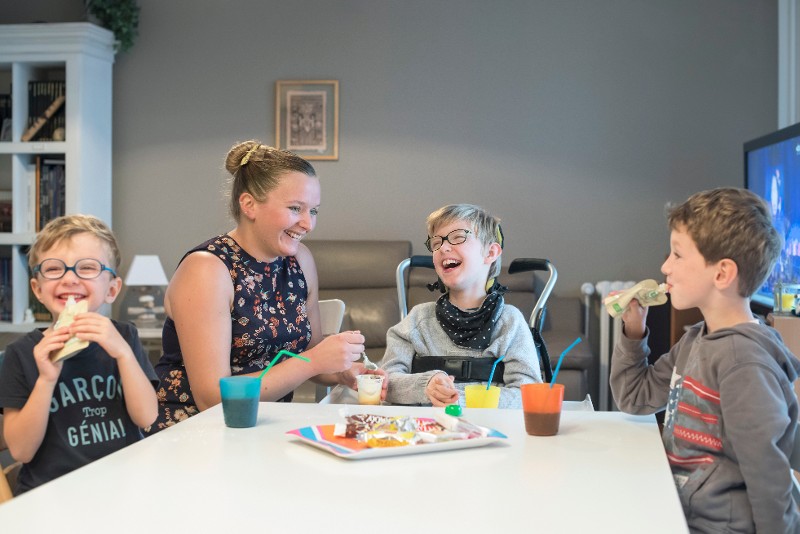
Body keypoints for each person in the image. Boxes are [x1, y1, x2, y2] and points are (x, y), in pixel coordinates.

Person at [146, 141, 378, 433]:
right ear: (249, 205)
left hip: (264, 426)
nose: (308, 223)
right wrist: (312, 362)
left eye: (314, 211)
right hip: (193, 431)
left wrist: (342, 372)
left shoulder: (300, 261)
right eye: (296, 208)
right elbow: (211, 399)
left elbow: (308, 350)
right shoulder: (207, 269)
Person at [609, 188, 800, 533]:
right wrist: (634, 330)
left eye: (678, 255)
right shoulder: (698, 339)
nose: (665, 266)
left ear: (722, 274)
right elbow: (634, 398)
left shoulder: (745, 364)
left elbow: (769, 478)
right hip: (676, 510)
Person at [0, 214, 158, 494]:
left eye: (86, 268)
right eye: (53, 269)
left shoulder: (124, 337)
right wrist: (46, 380)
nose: (69, 278)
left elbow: (147, 417)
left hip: (123, 485)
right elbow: (21, 451)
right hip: (51, 494)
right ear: (37, 288)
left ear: (111, 289)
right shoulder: (21, 354)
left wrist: (123, 354)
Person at [380, 204, 541, 408]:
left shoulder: (509, 323)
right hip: (425, 433)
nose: (444, 247)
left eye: (458, 238)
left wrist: (461, 400)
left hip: (490, 431)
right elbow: (384, 382)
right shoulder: (418, 320)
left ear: (490, 252)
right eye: (436, 242)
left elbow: (529, 394)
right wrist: (425, 385)